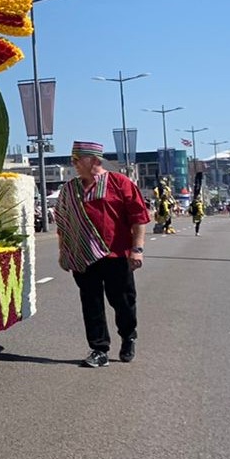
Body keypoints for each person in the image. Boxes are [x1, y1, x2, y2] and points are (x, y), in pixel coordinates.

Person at [54, 140, 150, 367]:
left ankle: (128, 336)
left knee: (123, 301)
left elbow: (138, 218)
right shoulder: (70, 189)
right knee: (91, 302)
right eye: (73, 159)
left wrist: (137, 249)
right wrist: (63, 252)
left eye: (78, 159)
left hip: (116, 256)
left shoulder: (120, 183)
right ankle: (99, 348)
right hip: (83, 256)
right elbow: (63, 222)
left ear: (94, 160)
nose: (74, 163)